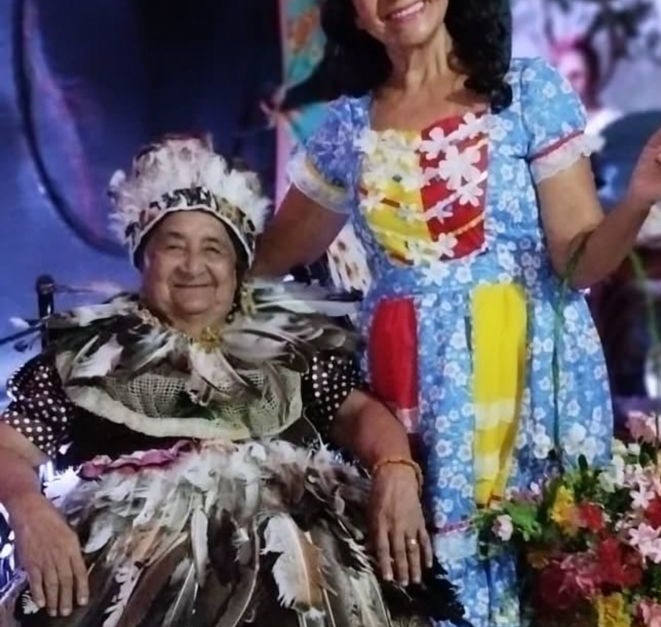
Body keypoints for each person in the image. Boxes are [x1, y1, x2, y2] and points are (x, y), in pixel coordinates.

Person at [252, 0, 661, 625]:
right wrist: (182, 238)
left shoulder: (526, 93)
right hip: (413, 399)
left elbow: (577, 263)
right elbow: (265, 261)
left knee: (552, 583)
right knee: (437, 594)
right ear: (352, 8)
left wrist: (639, 199)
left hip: (533, 382)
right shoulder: (346, 129)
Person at [0, 134, 468, 627]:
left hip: (295, 575)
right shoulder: (90, 356)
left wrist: (395, 470)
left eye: (213, 248)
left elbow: (360, 414)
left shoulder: (290, 348)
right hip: (131, 577)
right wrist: (29, 509)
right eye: (173, 246)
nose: (193, 266)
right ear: (143, 258)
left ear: (238, 265)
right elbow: (9, 448)